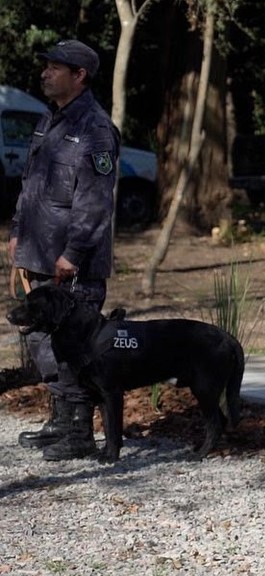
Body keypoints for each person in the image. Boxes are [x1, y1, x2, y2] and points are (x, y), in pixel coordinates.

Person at [10, 39, 120, 461]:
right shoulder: (48, 122)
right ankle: (60, 420)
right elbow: (30, 185)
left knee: (74, 346)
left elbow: (94, 202)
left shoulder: (94, 129)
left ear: (80, 76)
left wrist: (73, 253)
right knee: (43, 344)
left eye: (56, 68)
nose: (45, 73)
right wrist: (18, 231)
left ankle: (79, 432)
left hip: (72, 264)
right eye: (47, 66)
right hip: (39, 254)